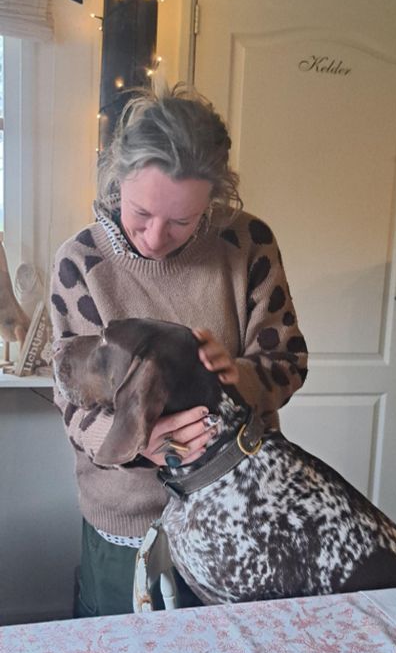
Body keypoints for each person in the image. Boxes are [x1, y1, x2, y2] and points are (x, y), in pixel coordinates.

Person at [51, 81, 308, 616]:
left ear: (215, 200)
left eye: (183, 221)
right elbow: (72, 399)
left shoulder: (247, 244)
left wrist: (232, 376)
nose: (154, 237)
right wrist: (138, 442)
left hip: (237, 511)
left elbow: (287, 363)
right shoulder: (81, 262)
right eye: (140, 212)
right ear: (116, 179)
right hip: (128, 519)